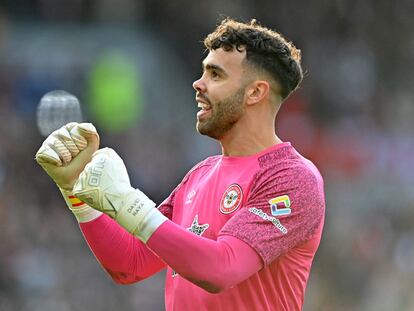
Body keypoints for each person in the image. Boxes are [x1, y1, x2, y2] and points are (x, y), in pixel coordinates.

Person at [36, 18, 325, 311]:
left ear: (255, 93)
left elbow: (221, 269)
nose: (198, 84)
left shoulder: (291, 177)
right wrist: (75, 190)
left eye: (215, 74)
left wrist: (128, 202)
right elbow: (130, 263)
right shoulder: (199, 176)